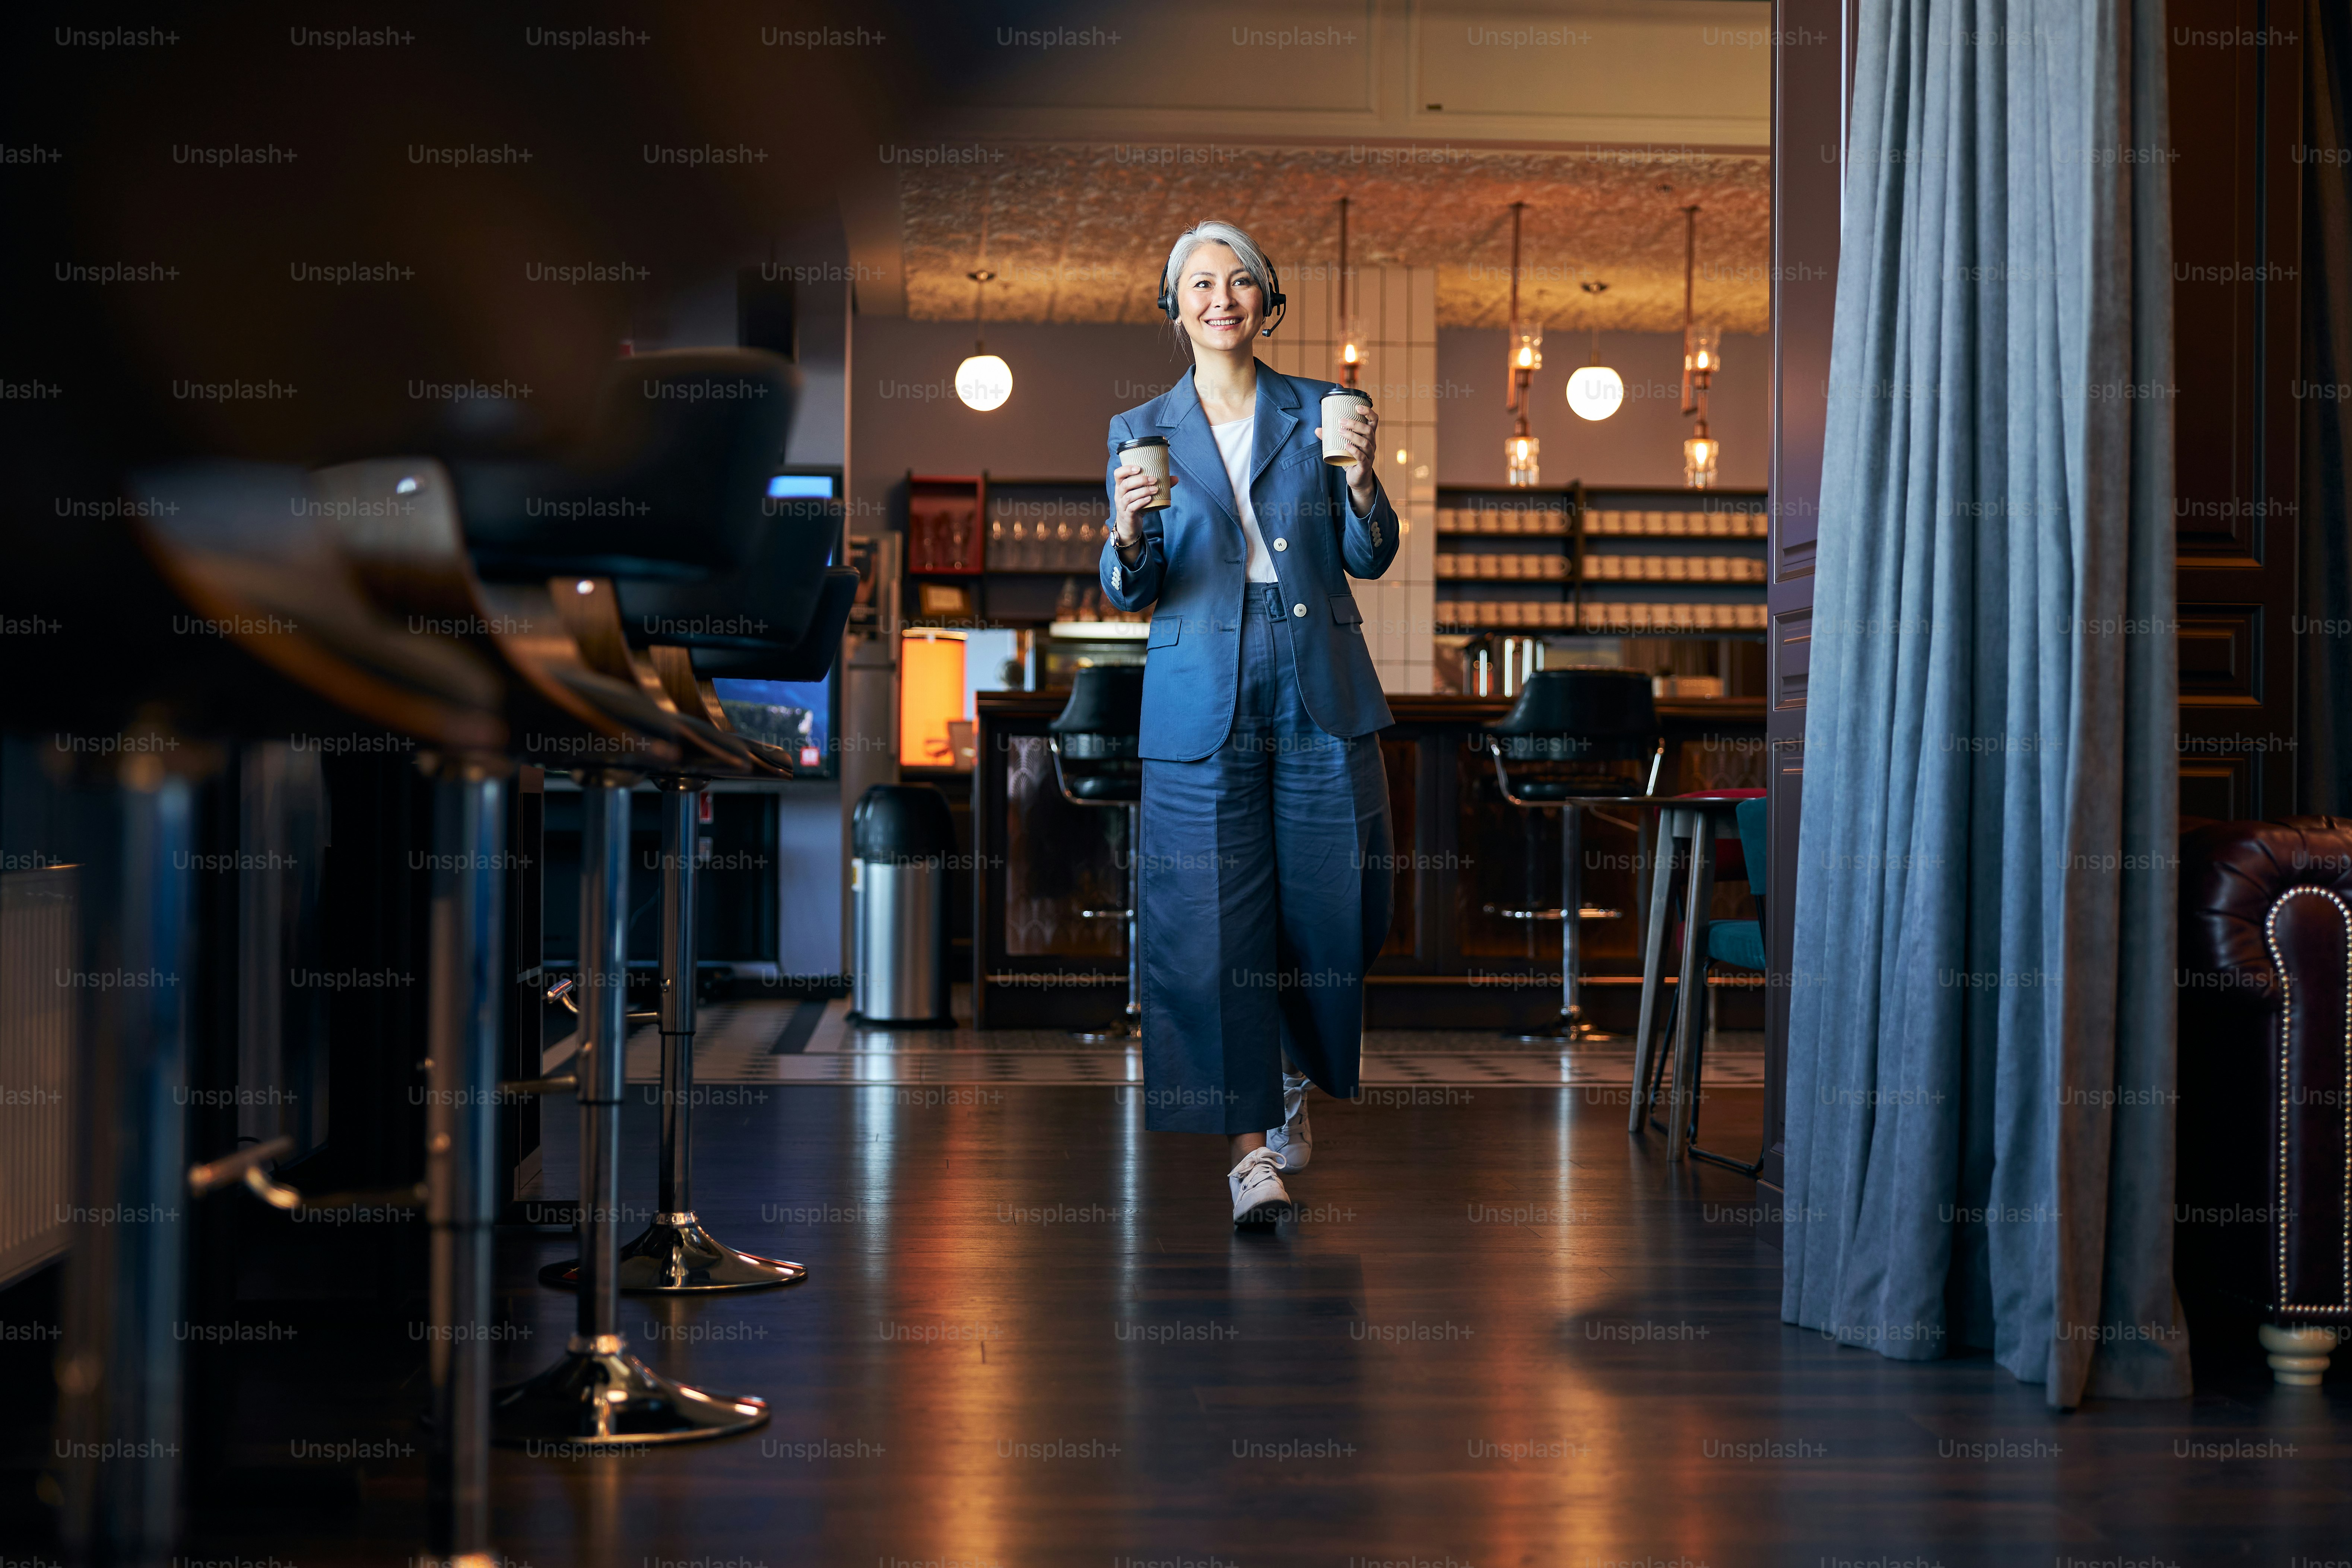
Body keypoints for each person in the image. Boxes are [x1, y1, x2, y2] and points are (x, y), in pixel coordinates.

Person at [1098, 219, 1398, 1225]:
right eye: (1199, 283)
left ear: (1267, 301)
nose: (1220, 297)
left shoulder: (1323, 409)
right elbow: (1132, 585)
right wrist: (1125, 530)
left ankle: (1291, 1068)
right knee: (1207, 916)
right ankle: (1248, 1151)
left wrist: (1362, 480)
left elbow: (1369, 555)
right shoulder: (1139, 427)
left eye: (1238, 281)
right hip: (1199, 683)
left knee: (1338, 900)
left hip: (1316, 669)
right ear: (1173, 307)